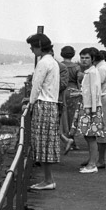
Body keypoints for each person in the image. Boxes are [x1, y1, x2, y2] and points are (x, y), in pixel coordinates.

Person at [26, 33, 60, 190]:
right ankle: (48, 179)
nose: (31, 49)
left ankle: (48, 180)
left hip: (43, 104)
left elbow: (37, 85)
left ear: (39, 47)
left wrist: (31, 102)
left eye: (33, 47)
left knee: (42, 143)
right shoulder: (53, 62)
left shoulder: (43, 63)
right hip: (51, 104)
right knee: (47, 143)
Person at [78, 47, 105, 173]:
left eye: (87, 58)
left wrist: (93, 110)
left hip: (91, 108)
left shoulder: (92, 72)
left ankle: (92, 164)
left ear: (92, 59)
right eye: (82, 58)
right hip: (87, 106)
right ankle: (91, 160)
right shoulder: (89, 72)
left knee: (91, 136)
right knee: (88, 135)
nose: (84, 60)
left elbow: (95, 91)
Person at [59, 46, 81, 153]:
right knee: (73, 117)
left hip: (63, 91)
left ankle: (65, 138)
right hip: (74, 92)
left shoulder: (59, 66)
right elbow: (79, 81)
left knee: (63, 117)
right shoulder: (77, 67)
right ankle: (73, 140)